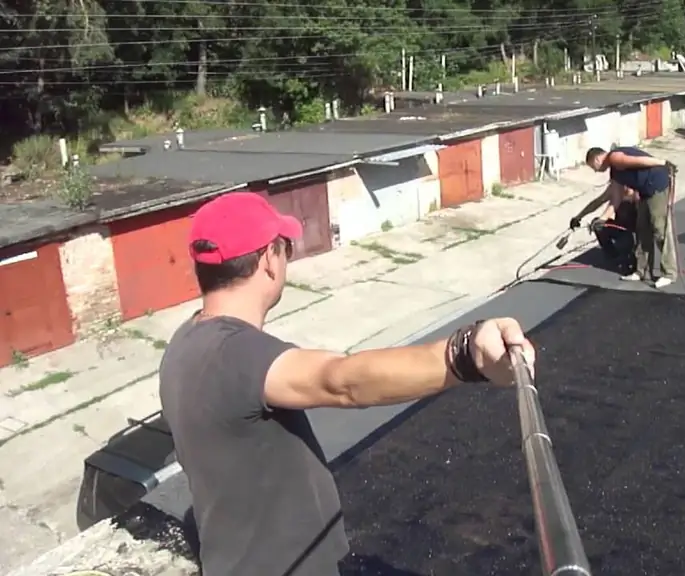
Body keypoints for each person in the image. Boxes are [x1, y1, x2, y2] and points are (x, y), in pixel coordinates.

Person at [158, 192, 536, 576]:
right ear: (269, 259)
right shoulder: (238, 354)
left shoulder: (185, 340)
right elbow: (341, 380)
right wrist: (465, 355)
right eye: (284, 247)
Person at [581, 146, 678, 289]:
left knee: (659, 228)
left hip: (657, 185)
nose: (595, 170)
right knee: (642, 229)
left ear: (597, 159)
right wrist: (602, 219)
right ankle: (642, 271)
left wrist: (662, 162)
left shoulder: (614, 158)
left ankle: (669, 273)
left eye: (593, 166)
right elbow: (615, 200)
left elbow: (637, 160)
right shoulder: (615, 174)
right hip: (646, 191)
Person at [569, 183, 638, 273]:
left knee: (628, 247)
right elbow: (597, 202)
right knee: (598, 224)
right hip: (620, 227)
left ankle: (631, 255)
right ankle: (613, 255)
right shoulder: (615, 188)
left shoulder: (636, 193)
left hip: (636, 231)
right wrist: (578, 217)